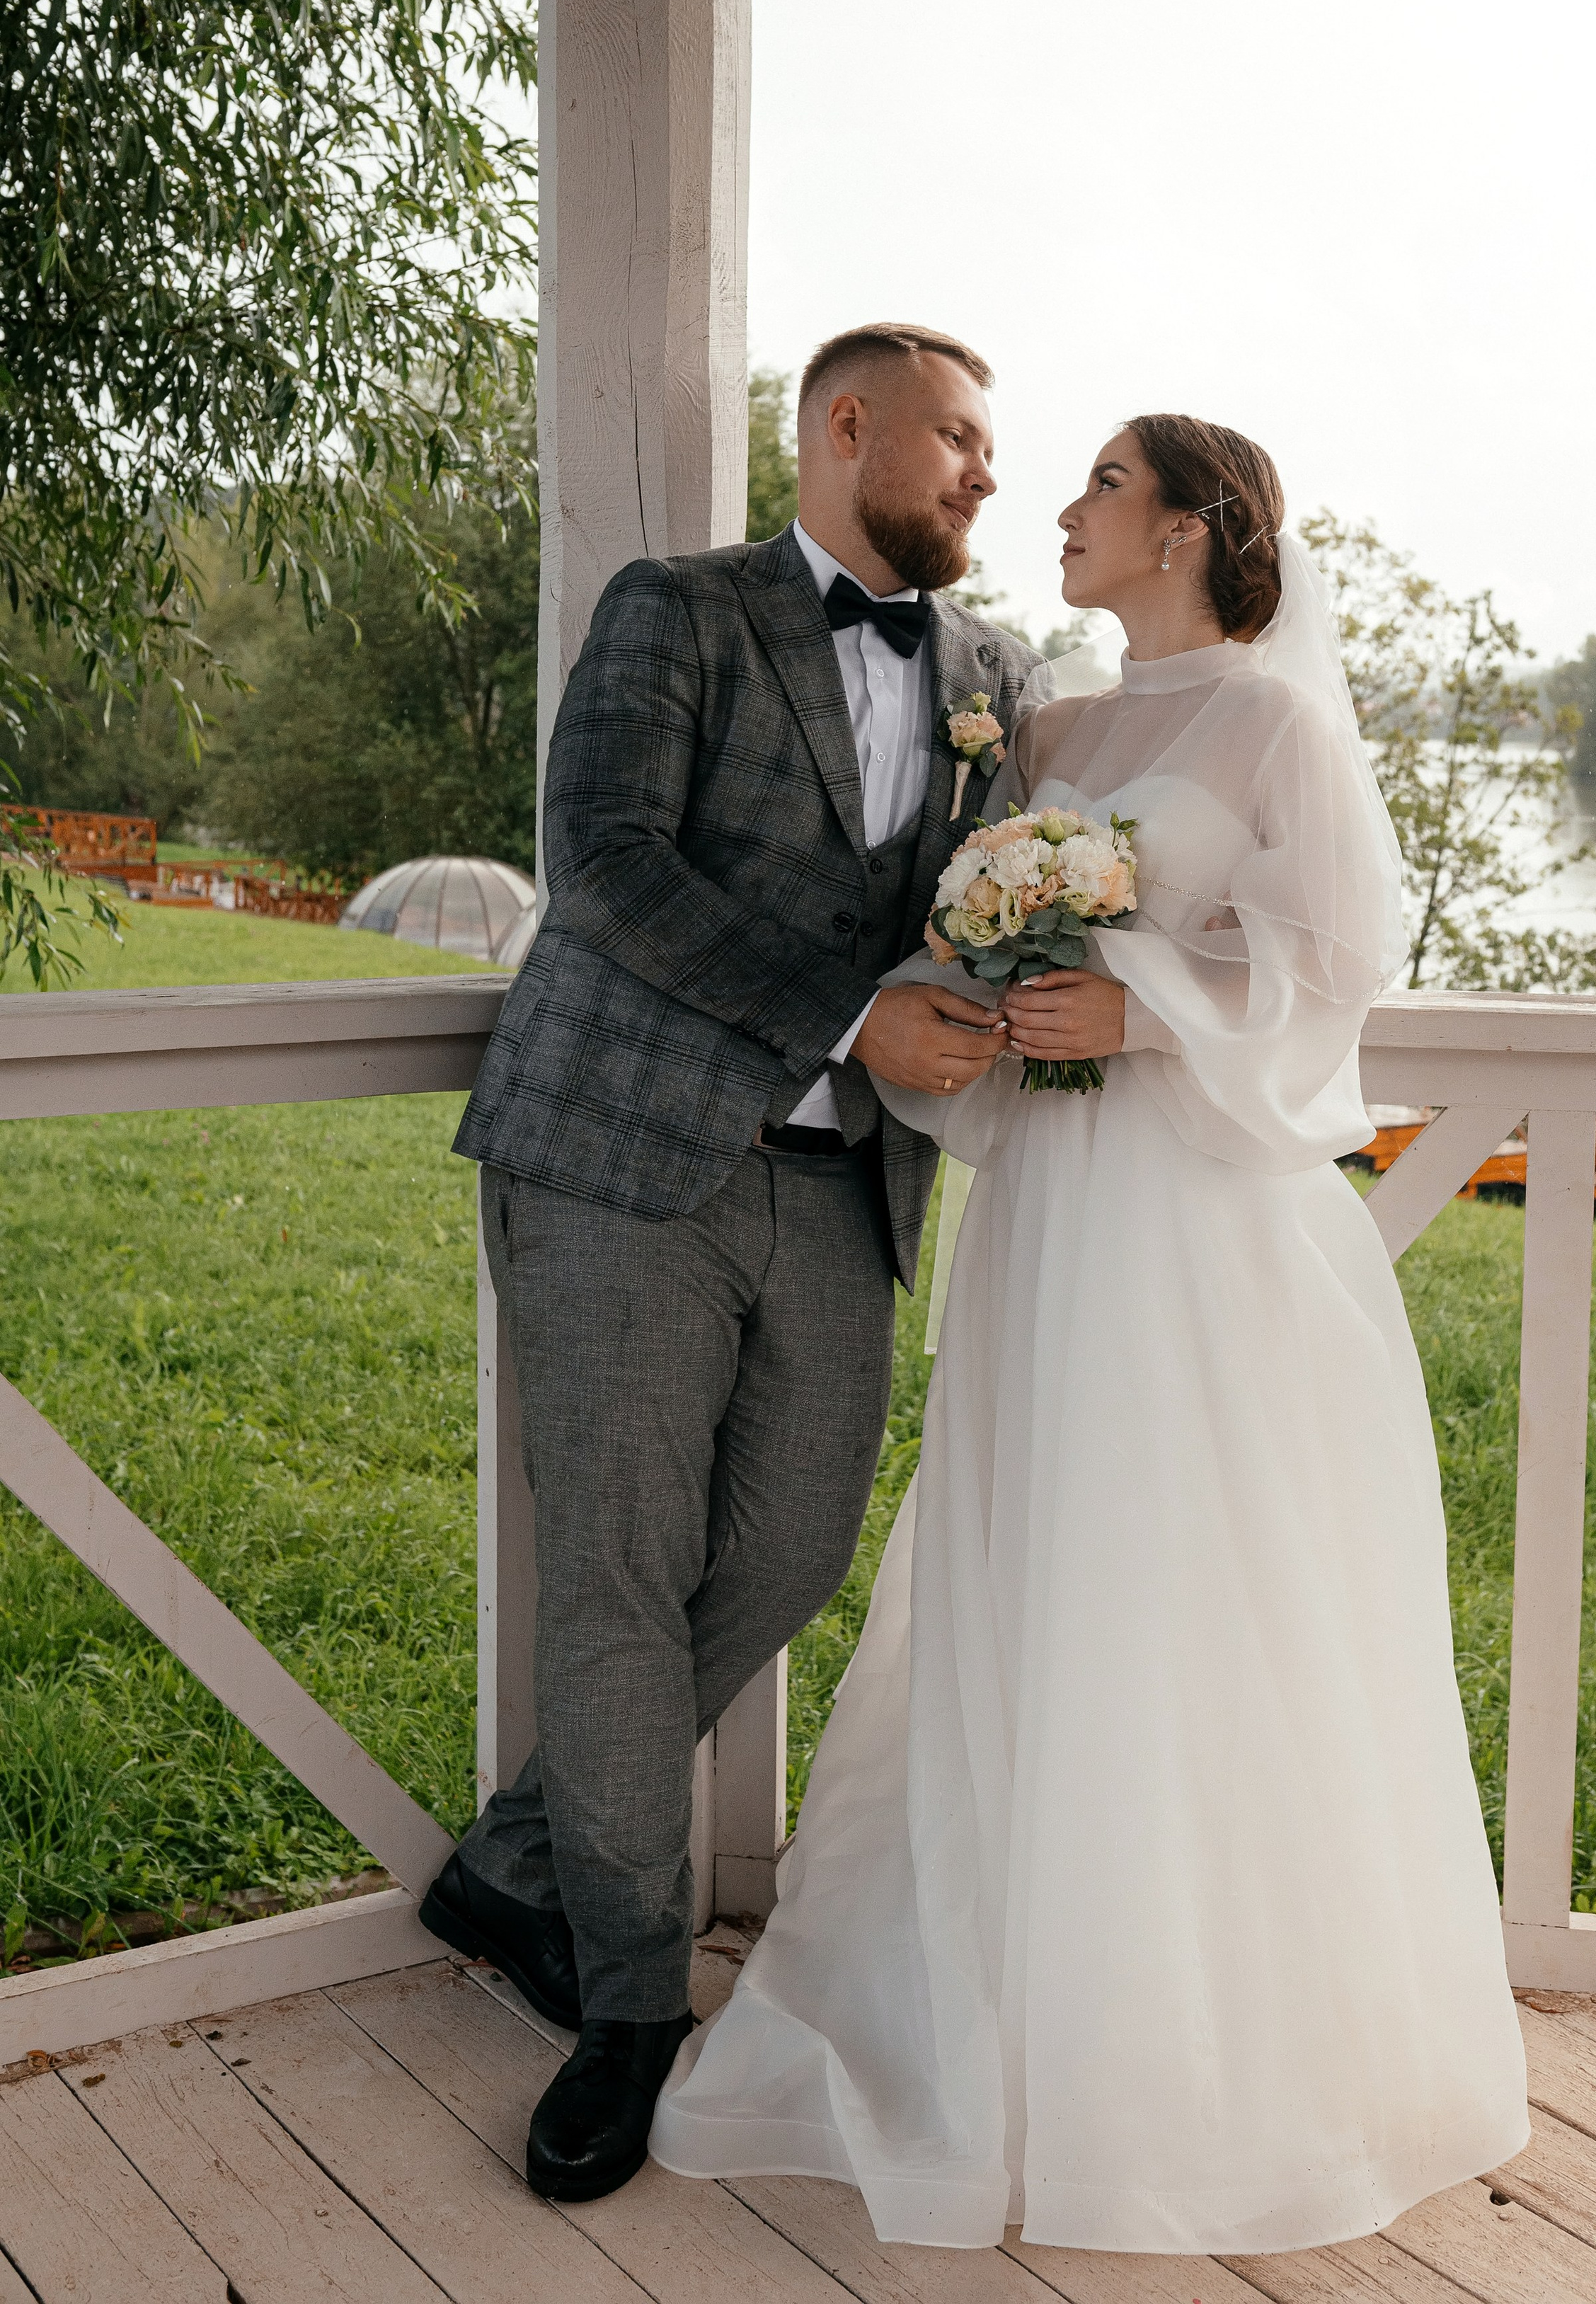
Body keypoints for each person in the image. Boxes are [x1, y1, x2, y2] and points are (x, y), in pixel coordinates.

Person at [651, 415, 1530, 2255]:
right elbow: (959, 934)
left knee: (1179, 1576)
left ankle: (1196, 2063)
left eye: (1103, 490)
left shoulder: (1272, 723)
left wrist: (1136, 1018)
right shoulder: (1043, 728)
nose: (1061, 511)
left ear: (1195, 527)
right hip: (1049, 1207)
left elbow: (1334, 957)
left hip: (1191, 1213)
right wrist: (972, 997)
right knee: (1025, 1561)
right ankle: (993, 2005)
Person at [420, 323, 1050, 2201]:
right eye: (957, 438)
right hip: (622, 1159)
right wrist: (855, 1015)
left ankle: (513, 1862)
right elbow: (603, 861)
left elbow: (993, 912)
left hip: (841, 1191)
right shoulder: (674, 610)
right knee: (615, 1581)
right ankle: (624, 2013)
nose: (983, 474)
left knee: (784, 1554)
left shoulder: (996, 676)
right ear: (843, 429)